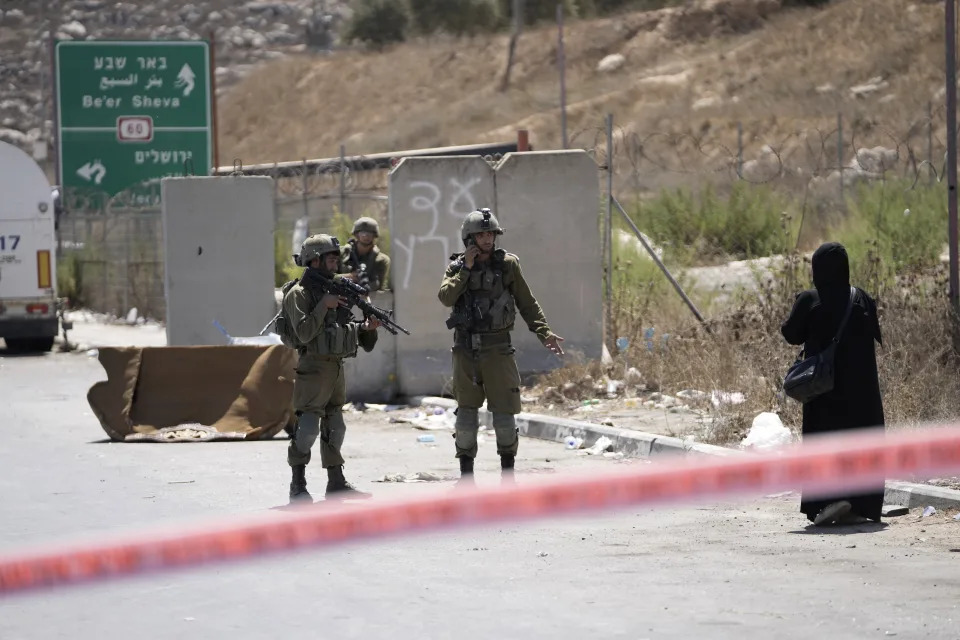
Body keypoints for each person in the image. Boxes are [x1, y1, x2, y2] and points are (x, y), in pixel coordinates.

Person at [438, 208, 565, 484]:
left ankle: (508, 476)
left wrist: (544, 333)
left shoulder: (508, 265)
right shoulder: (457, 267)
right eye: (481, 234)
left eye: (490, 234)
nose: (487, 239)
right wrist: (466, 270)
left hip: (498, 349)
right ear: (469, 239)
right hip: (465, 351)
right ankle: (466, 477)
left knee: (505, 413)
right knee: (466, 414)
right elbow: (446, 297)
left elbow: (526, 302)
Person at [781, 242, 885, 526]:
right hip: (863, 393)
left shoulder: (810, 299)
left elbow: (791, 334)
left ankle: (828, 501)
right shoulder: (862, 298)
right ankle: (861, 505)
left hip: (825, 393)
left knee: (825, 440)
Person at [284, 233, 380, 502]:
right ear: (314, 261)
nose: (336, 262)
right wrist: (322, 307)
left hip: (336, 366)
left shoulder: (338, 290)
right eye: (330, 257)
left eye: (337, 257)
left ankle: (336, 482)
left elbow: (350, 332)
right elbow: (303, 334)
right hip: (313, 366)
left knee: (336, 426)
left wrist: (366, 328)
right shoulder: (298, 294)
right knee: (308, 428)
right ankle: (298, 485)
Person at [341, 216, 391, 291]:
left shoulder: (381, 260)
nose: (366, 236)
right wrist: (349, 276)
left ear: (374, 235)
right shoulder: (342, 253)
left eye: (370, 233)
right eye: (362, 232)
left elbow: (380, 286)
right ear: (356, 234)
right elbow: (329, 277)